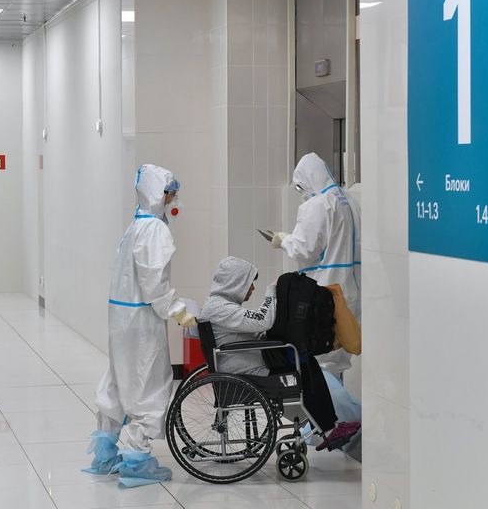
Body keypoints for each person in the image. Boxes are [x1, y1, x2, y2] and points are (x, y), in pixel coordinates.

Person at [86, 164, 196, 487]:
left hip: (121, 319)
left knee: (118, 381)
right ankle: (136, 460)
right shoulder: (155, 231)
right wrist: (177, 309)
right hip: (141, 323)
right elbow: (154, 282)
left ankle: (105, 452)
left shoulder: (136, 225)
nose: (174, 198)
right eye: (170, 192)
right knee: (150, 386)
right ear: (158, 194)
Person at [197, 256, 360, 451]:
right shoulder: (219, 308)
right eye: (249, 284)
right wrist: (272, 291)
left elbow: (250, 330)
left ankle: (328, 427)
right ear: (235, 282)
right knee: (304, 366)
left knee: (304, 360)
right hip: (247, 371)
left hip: (245, 364)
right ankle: (328, 428)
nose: (252, 289)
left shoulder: (219, 305)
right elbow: (262, 320)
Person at [269, 152, 362, 378]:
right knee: (340, 357)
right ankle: (338, 398)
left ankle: (328, 401)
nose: (302, 193)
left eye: (300, 187)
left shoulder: (317, 205)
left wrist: (284, 240)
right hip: (351, 291)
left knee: (322, 359)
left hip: (325, 293)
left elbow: (304, 249)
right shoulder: (350, 201)